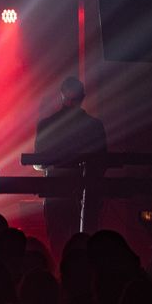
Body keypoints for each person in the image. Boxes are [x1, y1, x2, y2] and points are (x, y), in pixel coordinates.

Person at [34, 76, 107, 256]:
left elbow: (37, 162)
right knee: (85, 242)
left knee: (57, 242)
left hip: (55, 191)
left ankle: (60, 276)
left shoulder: (46, 125)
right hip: (86, 193)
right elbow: (102, 162)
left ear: (62, 96)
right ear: (83, 97)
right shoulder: (94, 125)